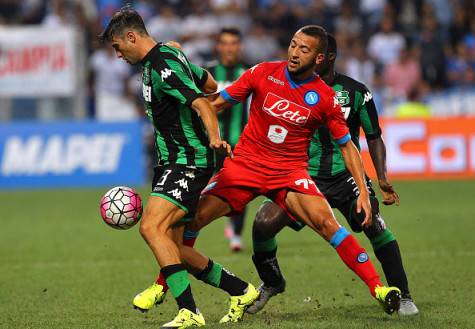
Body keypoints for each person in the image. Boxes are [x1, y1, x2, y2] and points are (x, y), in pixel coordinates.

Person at [178, 25, 401, 316]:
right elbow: (217, 102)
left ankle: (379, 289)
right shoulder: (262, 72)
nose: (295, 53)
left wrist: (361, 189)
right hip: (246, 164)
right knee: (191, 222)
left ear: (319, 59)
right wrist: (183, 107)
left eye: (304, 49)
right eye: (293, 45)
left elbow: (348, 146)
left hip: (289, 172)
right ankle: (177, 287)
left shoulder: (324, 97)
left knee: (328, 225)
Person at [100, 7, 259, 328]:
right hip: (172, 162)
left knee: (150, 227)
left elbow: (202, 101)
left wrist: (214, 137)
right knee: (173, 247)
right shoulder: (162, 60)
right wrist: (185, 62)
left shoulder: (161, 64)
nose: (117, 54)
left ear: (131, 37)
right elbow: (212, 83)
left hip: (187, 161)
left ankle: (189, 312)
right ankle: (241, 291)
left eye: (118, 46)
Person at [247, 34, 419, 317]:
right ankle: (272, 282)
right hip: (301, 174)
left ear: (326, 57)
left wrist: (382, 177)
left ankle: (404, 296)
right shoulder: (287, 86)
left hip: (343, 176)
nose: (302, 56)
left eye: (313, 52)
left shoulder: (355, 92)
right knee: (263, 223)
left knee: (373, 223)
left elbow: (373, 136)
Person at [207, 27, 248, 252]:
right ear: (219, 46)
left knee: (241, 190)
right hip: (210, 144)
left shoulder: (249, 72)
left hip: (240, 145)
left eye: (234, 43)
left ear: (239, 46)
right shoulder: (209, 72)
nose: (230, 48)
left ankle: (236, 234)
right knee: (201, 190)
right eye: (225, 43)